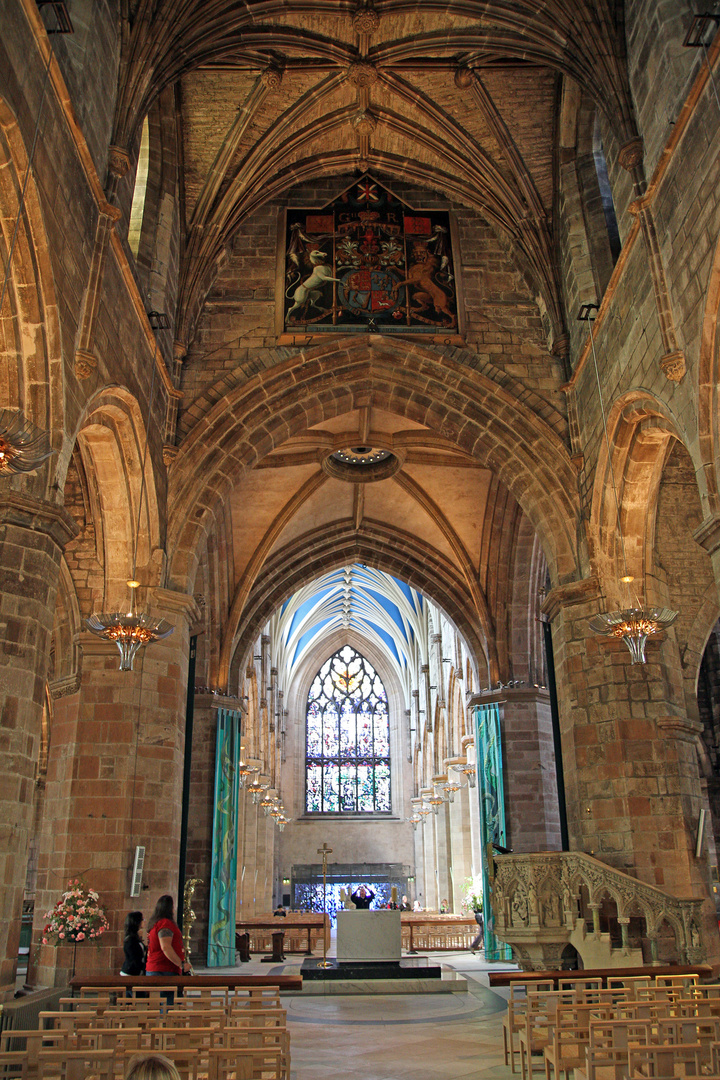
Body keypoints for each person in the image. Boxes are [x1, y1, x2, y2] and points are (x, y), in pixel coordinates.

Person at [146, 895, 191, 977]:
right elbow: (165, 947)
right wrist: (181, 965)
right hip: (164, 969)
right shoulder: (165, 924)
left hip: (159, 969)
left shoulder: (156, 923)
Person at [120, 910, 146, 976]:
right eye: (142, 919)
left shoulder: (135, 937)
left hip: (135, 972)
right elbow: (135, 959)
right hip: (129, 973)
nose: (144, 921)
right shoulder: (130, 940)